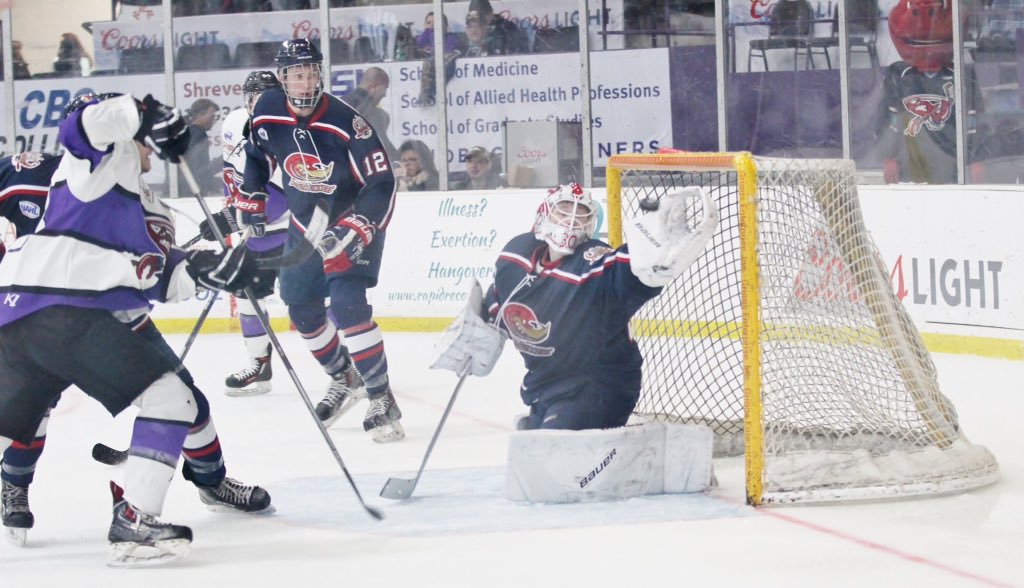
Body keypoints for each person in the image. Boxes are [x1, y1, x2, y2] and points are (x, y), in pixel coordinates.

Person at [0, 92, 265, 565]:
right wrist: (142, 114)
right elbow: (79, 127)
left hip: (19, 316)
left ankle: (167, 501)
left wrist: (213, 270)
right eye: (145, 143)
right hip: (67, 308)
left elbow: (156, 275)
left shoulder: (152, 207)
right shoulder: (100, 163)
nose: (148, 152)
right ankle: (136, 520)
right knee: (172, 400)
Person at [240, 38, 405, 443]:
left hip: (350, 222)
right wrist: (251, 202)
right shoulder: (266, 112)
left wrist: (357, 228)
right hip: (302, 225)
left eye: (312, 72)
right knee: (301, 309)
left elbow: (382, 182)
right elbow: (257, 159)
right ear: (283, 78)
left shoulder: (348, 121)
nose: (306, 81)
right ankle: (344, 376)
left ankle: (382, 397)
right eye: (297, 74)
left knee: (349, 308)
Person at [468, 183, 717, 431]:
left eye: (581, 214)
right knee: (533, 453)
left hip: (598, 385)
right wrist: (481, 322)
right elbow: (502, 300)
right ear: (544, 214)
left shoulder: (592, 261)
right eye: (564, 210)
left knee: (552, 453)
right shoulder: (516, 257)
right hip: (543, 387)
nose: (571, 220)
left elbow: (626, 272)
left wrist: (654, 258)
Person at [199, 70, 290, 396]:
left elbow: (280, 202)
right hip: (256, 233)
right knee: (247, 296)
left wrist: (231, 220)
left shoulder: (286, 130)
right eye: (255, 97)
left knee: (313, 303)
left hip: (294, 234)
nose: (260, 103)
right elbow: (234, 178)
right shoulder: (234, 124)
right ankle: (259, 365)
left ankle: (349, 364)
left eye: (267, 96)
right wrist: (230, 214)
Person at [877, 0, 980, 184]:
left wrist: (975, 160)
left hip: (952, 160)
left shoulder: (963, 74)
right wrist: (889, 157)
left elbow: (973, 120)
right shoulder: (897, 74)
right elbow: (888, 120)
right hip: (910, 163)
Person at [343, 67, 398, 162]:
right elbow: (383, 146)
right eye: (385, 88)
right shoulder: (376, 114)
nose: (384, 94)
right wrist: (400, 160)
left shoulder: (338, 104)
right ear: (374, 87)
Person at [180, 98, 223, 195]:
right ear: (200, 115)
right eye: (212, 116)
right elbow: (197, 170)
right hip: (191, 193)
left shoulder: (189, 132)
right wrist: (222, 161)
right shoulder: (197, 134)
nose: (214, 120)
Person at [463, 0, 529, 57]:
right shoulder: (466, 39)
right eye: (470, 26)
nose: (473, 29)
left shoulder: (507, 29)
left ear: (490, 14)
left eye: (482, 17)